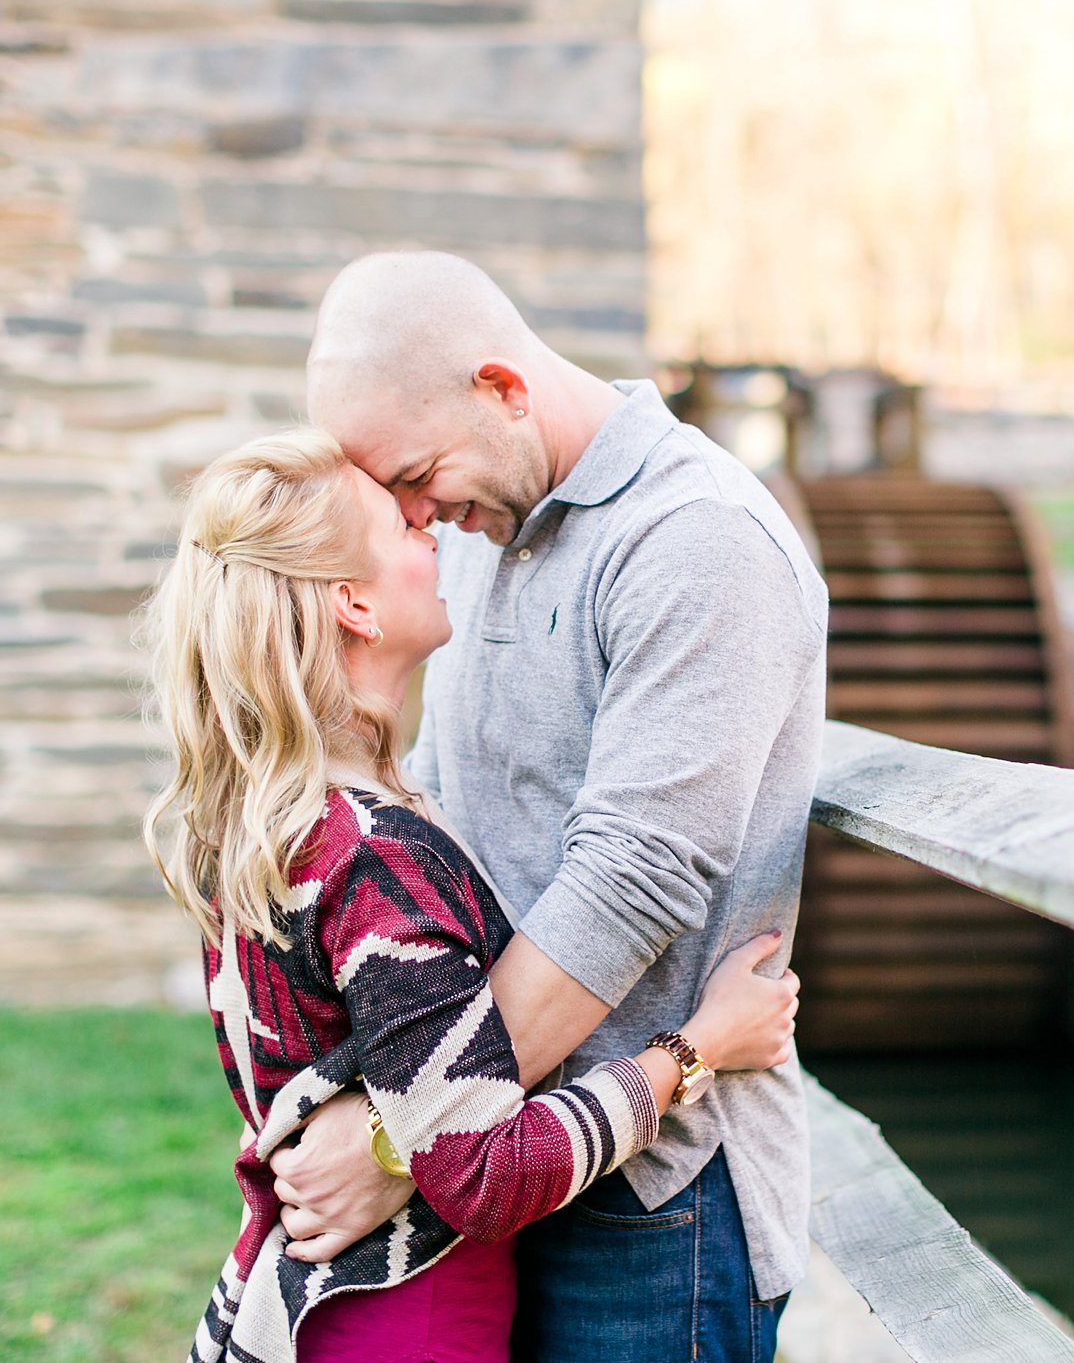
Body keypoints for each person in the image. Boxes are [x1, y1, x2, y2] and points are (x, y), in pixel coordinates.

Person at [269, 250, 829, 1362]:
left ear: (502, 388)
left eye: (418, 475)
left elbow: (628, 886)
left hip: (652, 1199)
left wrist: (397, 1136)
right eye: (394, 496)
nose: (415, 516)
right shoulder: (486, 527)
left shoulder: (697, 539)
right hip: (499, 1166)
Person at [144, 430, 802, 1363]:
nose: (431, 529)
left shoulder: (272, 819)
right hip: (406, 1325)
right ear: (356, 606)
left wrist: (379, 1134)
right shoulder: (375, 856)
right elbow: (485, 1173)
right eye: (400, 525)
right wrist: (695, 1050)